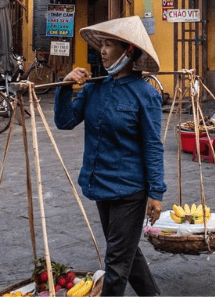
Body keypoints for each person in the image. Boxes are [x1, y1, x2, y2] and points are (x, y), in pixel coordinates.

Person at [54, 16, 165, 297]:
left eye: (108, 44)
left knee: (116, 262)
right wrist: (65, 86)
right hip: (100, 183)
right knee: (126, 252)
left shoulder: (145, 95)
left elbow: (153, 145)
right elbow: (65, 121)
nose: (101, 51)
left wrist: (156, 193)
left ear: (127, 50)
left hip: (130, 189)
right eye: (100, 44)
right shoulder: (94, 87)